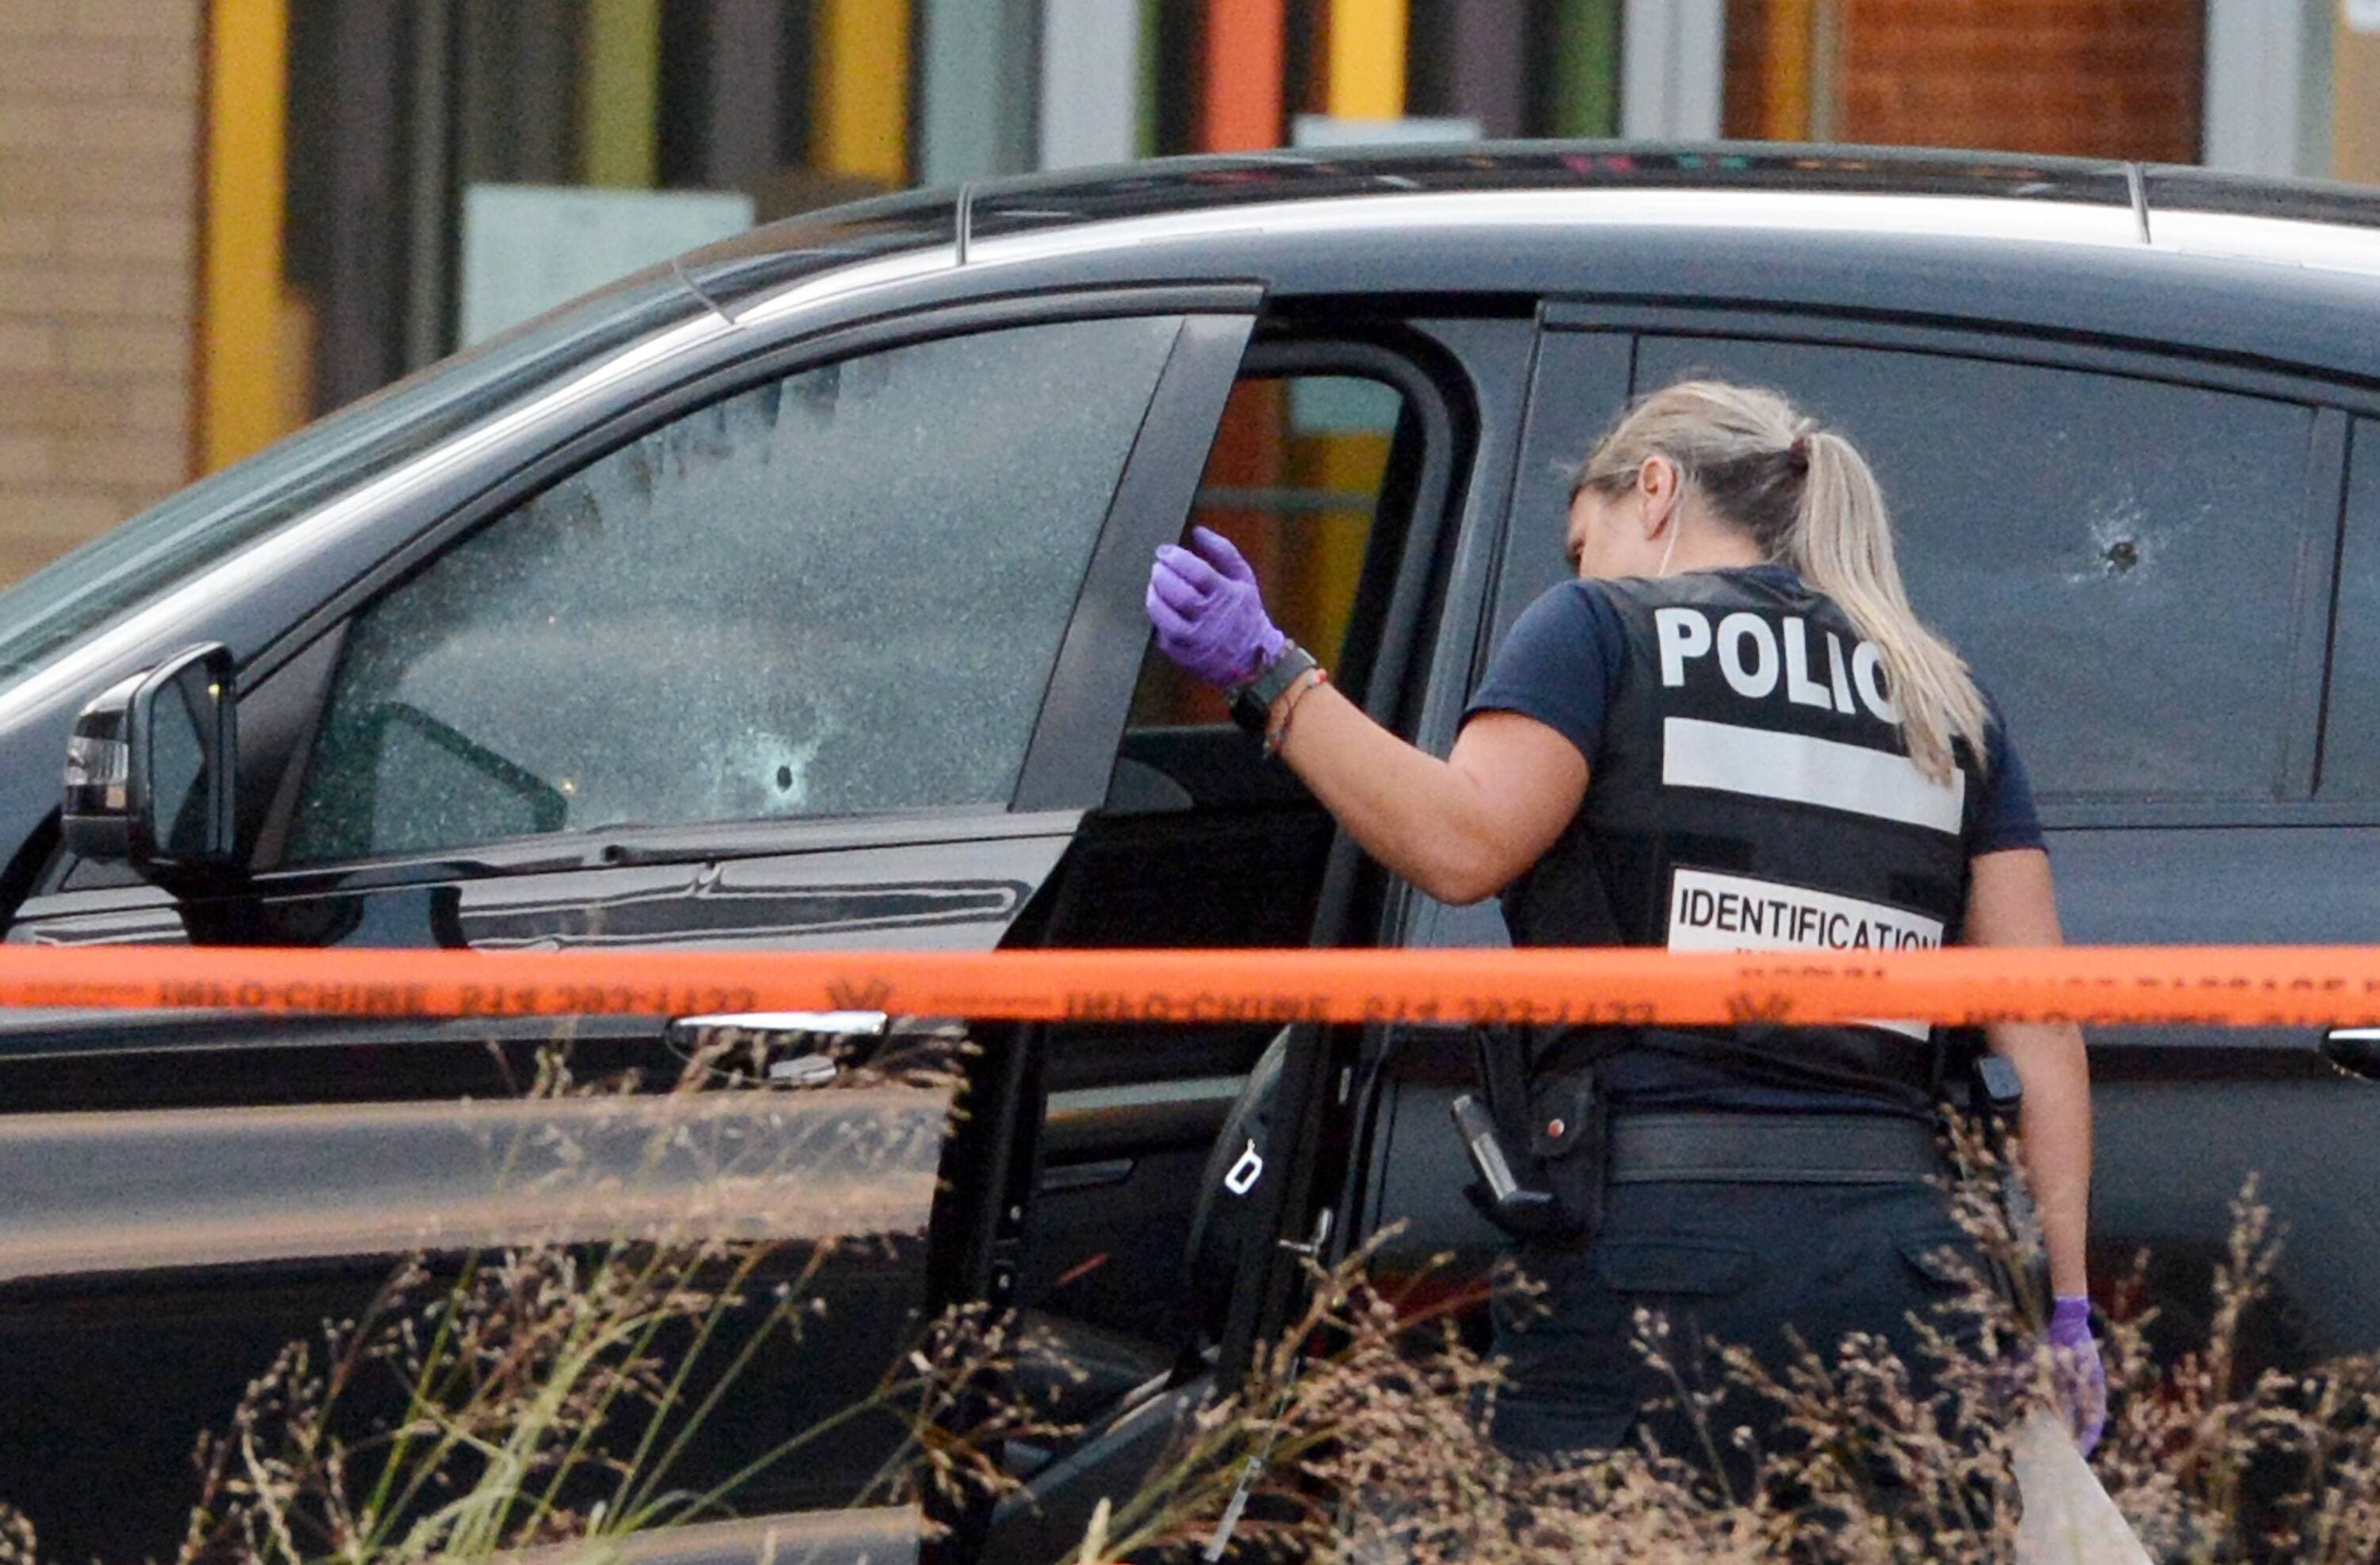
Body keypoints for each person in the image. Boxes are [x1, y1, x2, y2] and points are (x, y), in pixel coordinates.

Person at [1143, 379, 2102, 1465]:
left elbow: (1462, 844)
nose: (1578, 570)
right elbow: (2042, 1027)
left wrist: (1271, 677)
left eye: (1580, 542)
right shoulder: (1945, 701)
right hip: (1903, 1274)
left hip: (1653, 1257)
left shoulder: (1602, 629)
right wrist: (2061, 1306)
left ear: (1654, 492)